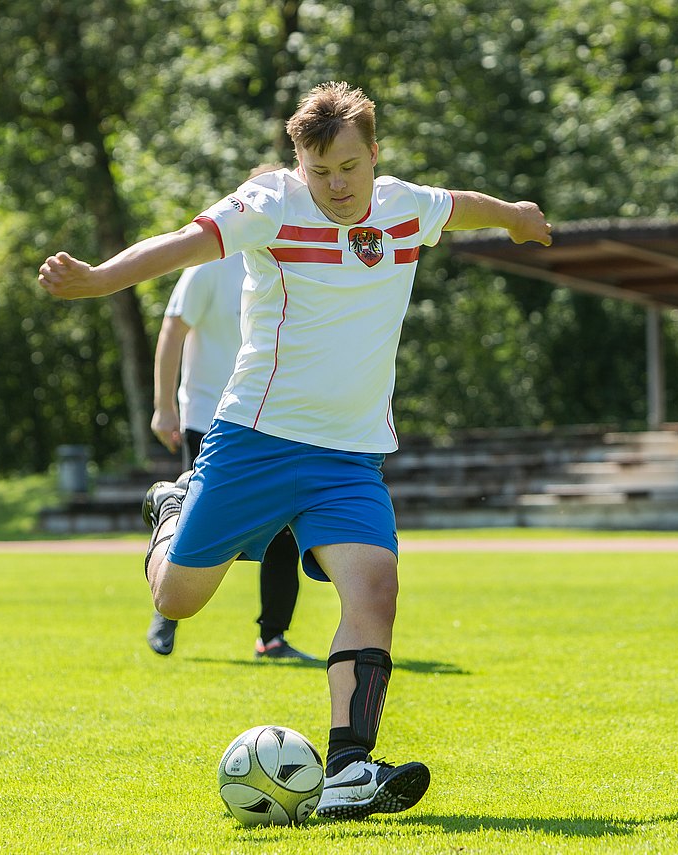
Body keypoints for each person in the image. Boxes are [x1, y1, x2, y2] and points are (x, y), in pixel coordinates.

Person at [39, 80, 553, 819]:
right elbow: (180, 246)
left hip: (349, 455)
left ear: (374, 154)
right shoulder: (271, 205)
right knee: (176, 598)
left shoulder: (405, 205)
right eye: (320, 171)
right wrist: (96, 280)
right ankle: (173, 508)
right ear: (297, 162)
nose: (336, 185)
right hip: (257, 440)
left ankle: (348, 767)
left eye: (349, 167)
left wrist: (515, 218)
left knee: (375, 589)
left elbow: (462, 204)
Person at [145, 166, 315, 662]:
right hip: (211, 415)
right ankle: (168, 605)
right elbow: (172, 331)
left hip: (277, 419)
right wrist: (163, 407)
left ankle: (274, 637)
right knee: (203, 527)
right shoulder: (209, 263)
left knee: (287, 529)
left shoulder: (300, 258)